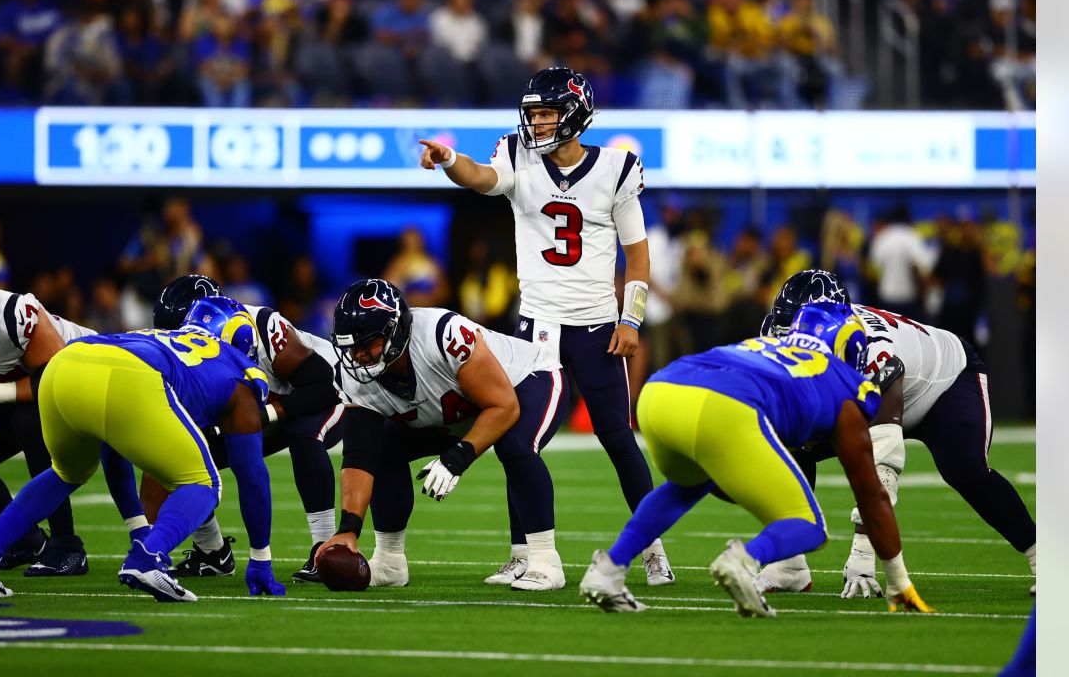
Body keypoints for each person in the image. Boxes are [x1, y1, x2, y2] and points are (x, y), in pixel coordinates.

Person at [418, 66, 673, 586]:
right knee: (517, 438)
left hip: (599, 327)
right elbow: (482, 179)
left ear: (575, 114)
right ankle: (526, 553)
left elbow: (638, 256)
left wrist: (632, 320)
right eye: (532, 114)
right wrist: (449, 161)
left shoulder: (617, 168)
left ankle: (652, 548)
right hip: (538, 330)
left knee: (618, 439)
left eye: (546, 113)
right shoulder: (516, 155)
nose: (536, 123)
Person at [580, 301, 934, 617]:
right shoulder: (844, 385)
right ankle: (743, 561)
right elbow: (871, 494)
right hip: (725, 407)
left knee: (686, 485)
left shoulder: (769, 344)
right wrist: (898, 580)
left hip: (661, 393)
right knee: (809, 525)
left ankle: (608, 570)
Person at [0, 296, 287, 602]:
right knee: (205, 483)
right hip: (131, 376)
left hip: (66, 363)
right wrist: (261, 558)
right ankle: (150, 558)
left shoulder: (156, 335)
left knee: (64, 473)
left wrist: (137, 526)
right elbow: (252, 475)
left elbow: (113, 447)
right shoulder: (241, 372)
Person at [757, 270, 1036, 595]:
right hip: (875, 386)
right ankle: (790, 563)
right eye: (788, 330)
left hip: (944, 382)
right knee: (792, 440)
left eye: (806, 330)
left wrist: (863, 552)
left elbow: (882, 458)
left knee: (966, 470)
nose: (794, 340)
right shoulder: (784, 335)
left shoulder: (873, 352)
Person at [317, 279, 570, 590]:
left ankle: (545, 560)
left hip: (526, 381)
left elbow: (504, 407)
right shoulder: (354, 376)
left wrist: (456, 458)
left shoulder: (441, 335)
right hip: (455, 412)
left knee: (515, 444)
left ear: (395, 330)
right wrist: (349, 528)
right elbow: (359, 455)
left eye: (368, 343)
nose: (360, 356)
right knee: (381, 449)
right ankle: (389, 560)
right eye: (352, 348)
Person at [139, 274, 342, 583]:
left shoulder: (260, 327)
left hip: (318, 394)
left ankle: (323, 547)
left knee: (303, 434)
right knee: (177, 455)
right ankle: (212, 552)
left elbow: (322, 387)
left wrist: (270, 414)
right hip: (252, 409)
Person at [0, 265, 97, 576]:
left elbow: (57, 378)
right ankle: (27, 539)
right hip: (28, 391)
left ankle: (67, 545)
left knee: (30, 422)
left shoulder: (6, 315)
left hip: (88, 376)